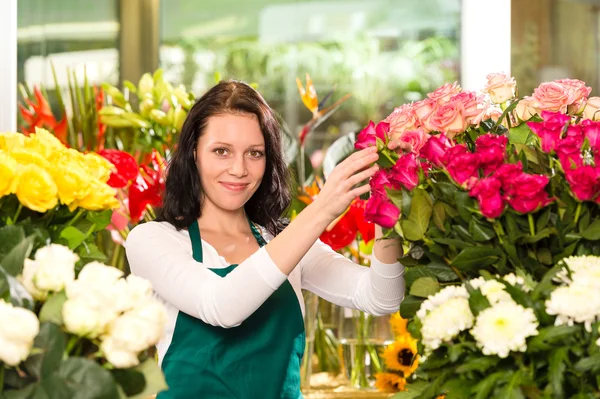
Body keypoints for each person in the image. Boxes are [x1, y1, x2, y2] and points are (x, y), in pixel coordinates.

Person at [125, 80, 407, 399]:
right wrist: (322, 209)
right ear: (193, 154)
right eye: (221, 151)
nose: (239, 169)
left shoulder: (283, 240)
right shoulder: (152, 240)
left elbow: (381, 297)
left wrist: (388, 200)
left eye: (254, 154)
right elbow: (221, 306)